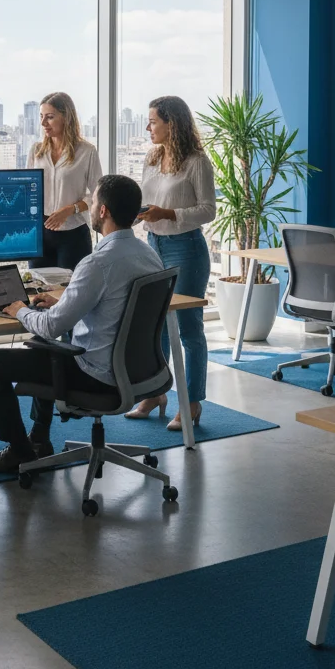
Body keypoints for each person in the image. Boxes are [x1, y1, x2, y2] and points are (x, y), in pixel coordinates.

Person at [0, 174, 165, 473]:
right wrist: (59, 304)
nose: (90, 209)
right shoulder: (149, 255)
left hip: (96, 376)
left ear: (103, 211)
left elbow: (52, 327)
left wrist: (21, 310)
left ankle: (19, 451)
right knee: (44, 351)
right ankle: (39, 439)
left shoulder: (97, 262)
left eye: (94, 203)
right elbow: (112, 306)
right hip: (139, 373)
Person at [125, 96, 215, 432]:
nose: (148, 127)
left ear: (171, 124)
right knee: (155, 326)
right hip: (153, 244)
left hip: (185, 248)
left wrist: (170, 214)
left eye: (153, 122)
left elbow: (208, 210)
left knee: (189, 328)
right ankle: (154, 393)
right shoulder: (151, 157)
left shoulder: (196, 162)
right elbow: (150, 200)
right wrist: (141, 214)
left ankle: (191, 402)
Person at [27, 92, 102, 273]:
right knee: (38, 292)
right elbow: (28, 189)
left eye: (50, 117)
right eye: (41, 117)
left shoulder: (87, 152)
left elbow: (98, 194)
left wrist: (70, 209)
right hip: (39, 234)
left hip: (73, 235)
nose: (43, 123)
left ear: (66, 117)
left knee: (71, 291)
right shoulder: (36, 150)